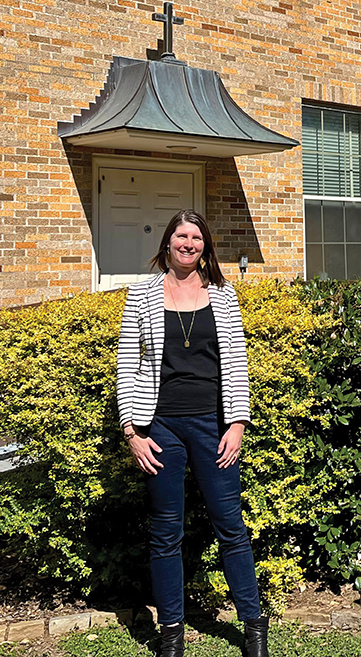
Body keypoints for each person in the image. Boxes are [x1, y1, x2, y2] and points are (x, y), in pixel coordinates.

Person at [116, 209, 268, 657]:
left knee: (231, 526)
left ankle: (254, 627)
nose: (188, 243)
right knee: (166, 531)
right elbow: (127, 364)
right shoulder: (142, 293)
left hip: (213, 425)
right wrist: (132, 432)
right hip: (160, 426)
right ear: (167, 243)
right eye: (181, 236)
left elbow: (236, 364)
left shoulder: (223, 294)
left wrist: (237, 423)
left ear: (205, 247)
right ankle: (171, 634)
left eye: (196, 237)